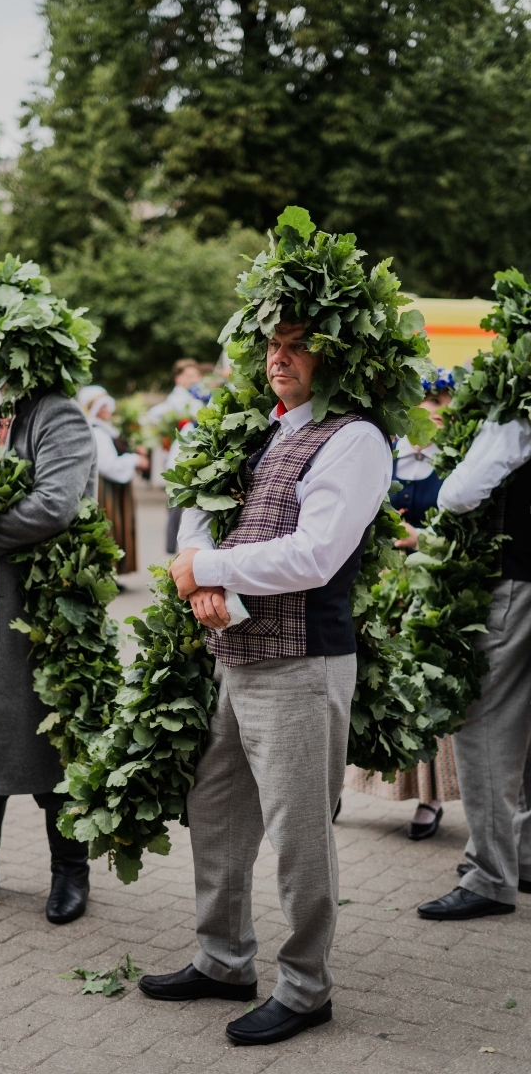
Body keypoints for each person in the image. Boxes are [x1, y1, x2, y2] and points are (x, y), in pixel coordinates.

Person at [139, 320, 391, 1045]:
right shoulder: (262, 428)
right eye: (273, 345)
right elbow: (200, 509)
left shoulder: (356, 439)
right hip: (237, 654)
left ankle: (308, 988)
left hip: (303, 661)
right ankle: (222, 960)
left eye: (298, 344)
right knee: (214, 806)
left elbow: (315, 555)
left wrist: (212, 570)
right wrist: (198, 570)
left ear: (335, 355)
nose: (279, 357)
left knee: (298, 830)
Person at [0, 378, 97, 926]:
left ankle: (70, 870)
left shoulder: (60, 416)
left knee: (50, 737)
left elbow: (54, 505)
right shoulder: (1, 415)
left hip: (43, 613)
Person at [417, 407, 531, 920]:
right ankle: (522, 858)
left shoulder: (515, 406)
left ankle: (490, 877)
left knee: (485, 723)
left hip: (515, 579)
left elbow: (459, 493)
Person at [346, 371, 460, 840]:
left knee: (422, 689)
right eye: (425, 399)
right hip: (378, 587)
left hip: (428, 592)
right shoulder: (384, 456)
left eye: (441, 399)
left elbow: (462, 532)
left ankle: (430, 797)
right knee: (365, 681)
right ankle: (343, 783)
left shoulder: (454, 465)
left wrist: (421, 539)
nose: (432, 408)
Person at [78, 385, 149, 574]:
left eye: (106, 406)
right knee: (109, 528)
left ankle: (112, 570)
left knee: (115, 528)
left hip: (112, 486)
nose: (106, 410)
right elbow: (107, 465)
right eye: (101, 407)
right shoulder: (97, 431)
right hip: (104, 488)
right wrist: (135, 459)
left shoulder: (106, 429)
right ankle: (106, 570)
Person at [147, 359, 205, 554]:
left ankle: (176, 548)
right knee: (178, 502)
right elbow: (153, 415)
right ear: (178, 379)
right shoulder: (179, 400)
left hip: (191, 453)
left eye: (196, 375)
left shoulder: (196, 395)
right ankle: (173, 550)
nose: (194, 379)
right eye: (189, 376)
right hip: (180, 453)